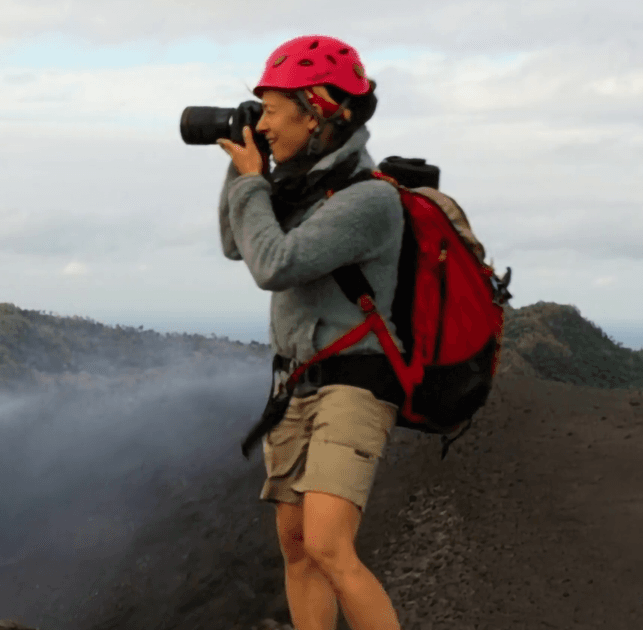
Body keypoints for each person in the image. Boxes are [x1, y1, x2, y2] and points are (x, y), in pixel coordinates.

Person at [216, 35, 405, 630]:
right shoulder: (299, 187)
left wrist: (252, 182)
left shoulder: (368, 199)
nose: (263, 124)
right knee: (297, 550)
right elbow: (235, 243)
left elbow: (273, 266)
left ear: (318, 110)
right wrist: (243, 167)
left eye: (271, 111)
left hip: (355, 382)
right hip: (297, 385)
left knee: (329, 547)